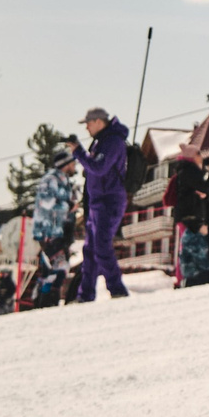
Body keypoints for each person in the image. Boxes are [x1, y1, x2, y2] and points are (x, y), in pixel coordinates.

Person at [75, 109, 132, 300]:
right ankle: (85, 295)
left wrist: (78, 152)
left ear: (99, 122)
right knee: (90, 250)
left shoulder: (112, 142)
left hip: (109, 202)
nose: (86, 128)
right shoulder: (102, 141)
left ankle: (117, 290)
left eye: (88, 123)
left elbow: (98, 167)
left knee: (101, 247)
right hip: (97, 202)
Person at [168, 148, 209, 287]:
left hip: (186, 214)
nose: (201, 156)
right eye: (198, 154)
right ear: (191, 157)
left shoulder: (186, 170)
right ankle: (185, 278)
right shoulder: (190, 171)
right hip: (189, 215)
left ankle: (182, 277)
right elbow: (204, 188)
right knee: (189, 246)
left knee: (186, 245)